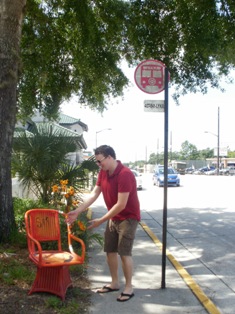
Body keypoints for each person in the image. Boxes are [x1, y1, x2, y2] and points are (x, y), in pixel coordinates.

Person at [66, 145, 141, 302]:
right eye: (98, 163)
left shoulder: (125, 174)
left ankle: (129, 287)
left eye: (100, 162)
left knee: (124, 253)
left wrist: (101, 220)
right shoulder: (103, 172)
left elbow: (121, 204)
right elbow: (94, 194)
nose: (99, 165)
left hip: (128, 218)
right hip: (113, 217)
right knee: (110, 251)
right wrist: (77, 211)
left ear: (110, 157)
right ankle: (114, 283)